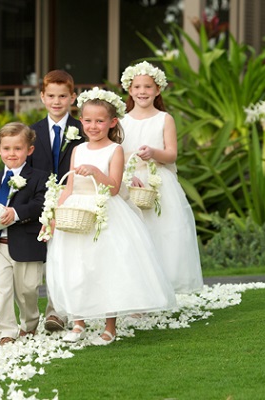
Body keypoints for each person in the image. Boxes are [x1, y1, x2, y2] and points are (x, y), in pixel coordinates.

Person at [42, 87, 176, 346]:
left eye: (100, 121)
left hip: (104, 212)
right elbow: (69, 187)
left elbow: (114, 187)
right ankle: (78, 322)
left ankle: (109, 326)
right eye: (88, 121)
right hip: (77, 215)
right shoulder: (77, 150)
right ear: (81, 121)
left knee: (105, 268)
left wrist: (94, 172)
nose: (93, 126)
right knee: (76, 269)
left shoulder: (115, 150)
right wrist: (54, 215)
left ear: (112, 122)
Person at [119, 61, 203, 294]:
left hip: (158, 183)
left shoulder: (164, 119)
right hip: (130, 181)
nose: (142, 92)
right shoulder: (122, 121)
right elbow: (115, 153)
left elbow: (171, 153)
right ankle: (138, 290)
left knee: (162, 234)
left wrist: (153, 153)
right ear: (129, 89)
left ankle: (163, 289)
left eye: (148, 87)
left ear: (158, 90)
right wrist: (127, 172)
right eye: (137, 87)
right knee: (134, 236)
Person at [0, 122, 49, 346]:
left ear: (29, 150)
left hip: (26, 243)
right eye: (6, 148)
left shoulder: (40, 177)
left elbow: (40, 205)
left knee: (27, 290)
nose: (12, 153)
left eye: (18, 148)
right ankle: (6, 331)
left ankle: (30, 323)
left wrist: (16, 212)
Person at [28, 70, 84, 333]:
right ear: (42, 97)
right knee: (49, 259)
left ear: (73, 97)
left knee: (67, 258)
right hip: (42, 204)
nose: (57, 101)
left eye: (63, 96)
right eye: (51, 96)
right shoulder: (32, 133)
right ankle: (53, 311)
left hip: (74, 201)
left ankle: (58, 313)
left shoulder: (83, 130)